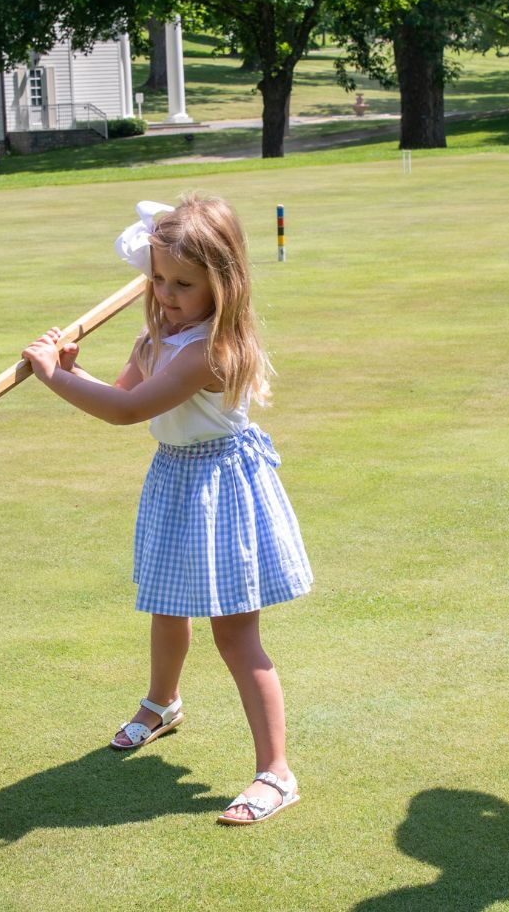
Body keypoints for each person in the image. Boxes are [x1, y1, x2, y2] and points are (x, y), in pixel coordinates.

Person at [20, 196, 313, 825]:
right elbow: (121, 394)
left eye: (183, 283)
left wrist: (51, 377)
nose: (166, 292)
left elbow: (128, 413)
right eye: (157, 278)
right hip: (176, 480)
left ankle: (276, 773)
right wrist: (75, 371)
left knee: (235, 635)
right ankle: (162, 703)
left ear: (222, 283)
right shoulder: (158, 338)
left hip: (222, 486)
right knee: (167, 605)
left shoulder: (209, 352)